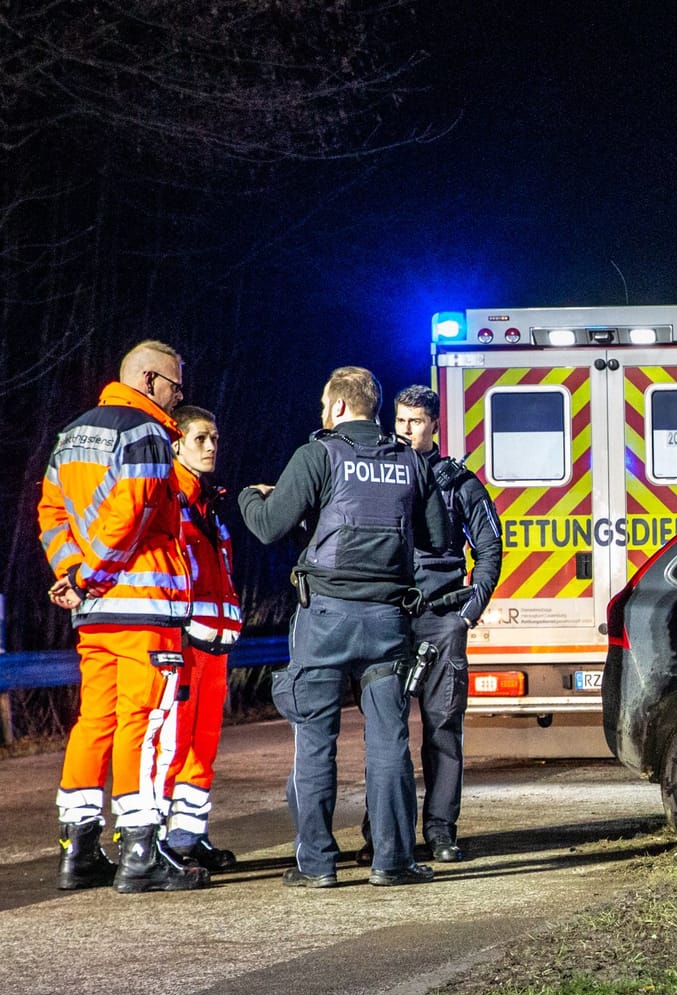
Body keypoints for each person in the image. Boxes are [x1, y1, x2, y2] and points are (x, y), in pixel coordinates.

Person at [239, 366, 451, 889]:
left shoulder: (318, 454)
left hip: (326, 620)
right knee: (389, 742)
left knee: (314, 739)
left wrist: (250, 495)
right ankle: (392, 860)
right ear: (375, 408)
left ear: (335, 408)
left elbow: (269, 526)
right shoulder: (408, 460)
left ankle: (316, 865)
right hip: (387, 623)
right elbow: (438, 536)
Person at [38, 340, 208, 892]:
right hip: (142, 605)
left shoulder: (70, 436)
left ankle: (79, 848)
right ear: (151, 379)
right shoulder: (146, 432)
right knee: (148, 724)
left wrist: (71, 572)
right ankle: (140, 851)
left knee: (96, 722)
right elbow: (129, 514)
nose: (178, 397)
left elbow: (52, 513)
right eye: (176, 386)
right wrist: (92, 573)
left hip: (94, 613)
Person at [385, 385, 502, 863]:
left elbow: (490, 548)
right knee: (386, 733)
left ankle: (439, 831)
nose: (405, 430)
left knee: (442, 729)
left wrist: (469, 611)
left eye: (414, 422)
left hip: (442, 618)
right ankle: (385, 833)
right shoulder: (381, 474)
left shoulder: (460, 483)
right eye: (400, 421)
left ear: (435, 424)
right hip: (390, 618)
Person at [163, 405, 242, 872]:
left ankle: (189, 836)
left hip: (215, 643)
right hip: (182, 643)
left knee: (203, 745)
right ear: (177, 444)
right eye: (200, 439)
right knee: (172, 743)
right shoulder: (171, 499)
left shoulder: (208, 503)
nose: (211, 446)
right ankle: (157, 839)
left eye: (214, 438)